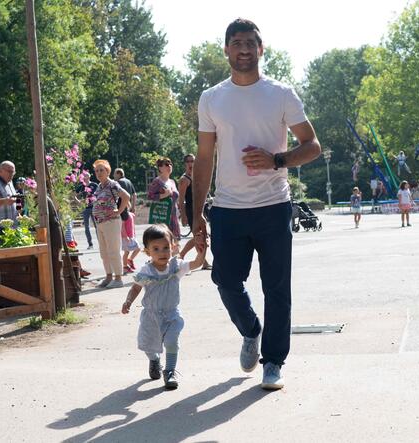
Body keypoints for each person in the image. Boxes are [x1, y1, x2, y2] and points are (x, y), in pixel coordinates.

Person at [192, 18, 321, 390]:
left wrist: (277, 160)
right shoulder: (212, 98)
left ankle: (274, 361)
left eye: (250, 43)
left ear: (261, 49)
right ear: (227, 50)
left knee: (276, 287)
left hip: (273, 205)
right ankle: (251, 330)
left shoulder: (280, 94)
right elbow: (204, 158)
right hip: (228, 208)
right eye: (237, 43)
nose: (244, 49)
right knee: (224, 279)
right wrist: (198, 212)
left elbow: (312, 146)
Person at [121, 224, 207, 389]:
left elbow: (197, 263)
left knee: (171, 341)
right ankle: (154, 360)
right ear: (147, 251)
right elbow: (136, 287)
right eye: (156, 248)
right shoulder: (146, 271)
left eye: (166, 247)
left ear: (173, 246)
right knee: (148, 344)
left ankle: (169, 371)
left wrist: (202, 249)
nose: (162, 252)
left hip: (171, 315)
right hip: (151, 317)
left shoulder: (177, 267)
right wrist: (128, 301)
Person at [92, 159, 130, 288]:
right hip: (100, 222)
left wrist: (119, 211)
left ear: (107, 171)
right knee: (104, 252)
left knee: (113, 250)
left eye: (101, 170)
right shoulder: (99, 186)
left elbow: (126, 196)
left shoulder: (112, 184)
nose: (99, 173)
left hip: (111, 222)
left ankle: (118, 278)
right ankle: (108, 276)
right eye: (97, 170)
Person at [178, 154, 212, 269]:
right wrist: (183, 216)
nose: (190, 163)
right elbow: (181, 200)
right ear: (185, 164)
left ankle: (185, 255)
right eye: (188, 161)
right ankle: (201, 261)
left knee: (200, 236)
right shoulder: (184, 180)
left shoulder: (196, 176)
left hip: (200, 210)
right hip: (191, 211)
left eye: (192, 161)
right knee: (199, 236)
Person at [147, 157, 181, 240]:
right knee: (164, 241)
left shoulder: (172, 182)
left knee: (174, 244)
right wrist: (164, 195)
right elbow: (150, 196)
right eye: (166, 164)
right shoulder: (157, 182)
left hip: (174, 216)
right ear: (160, 168)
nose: (169, 166)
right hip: (163, 216)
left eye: (170, 164)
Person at [76, 179, 98, 249]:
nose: (86, 177)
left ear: (89, 177)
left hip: (94, 208)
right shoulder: (82, 186)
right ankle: (90, 244)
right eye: (85, 176)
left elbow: (99, 193)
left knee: (97, 226)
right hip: (86, 208)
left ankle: (101, 243)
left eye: (87, 176)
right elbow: (75, 194)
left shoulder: (94, 185)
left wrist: (96, 201)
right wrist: (79, 201)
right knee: (86, 227)